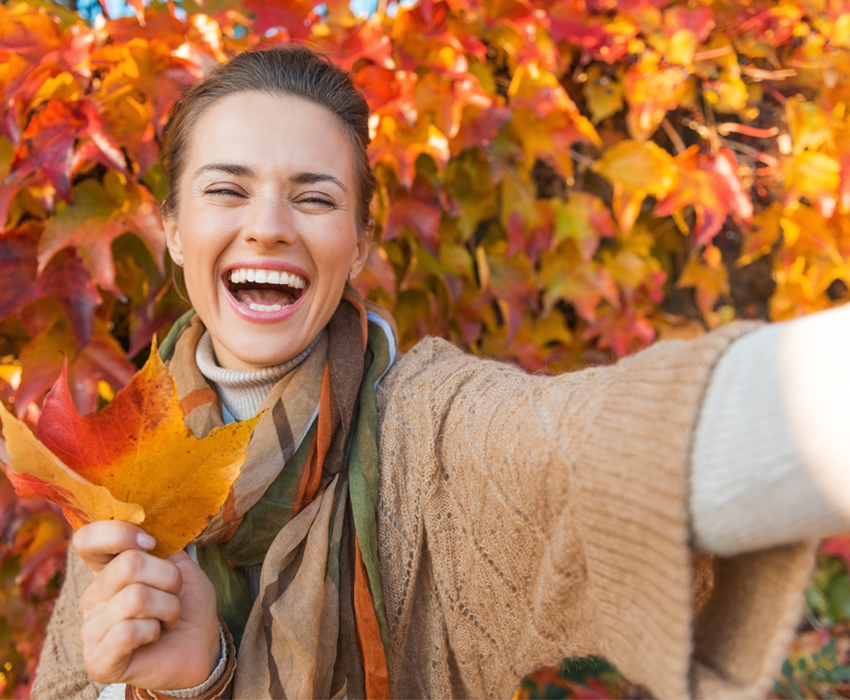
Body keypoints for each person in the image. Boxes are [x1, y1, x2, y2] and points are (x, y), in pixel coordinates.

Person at [30, 45, 850, 700]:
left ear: (361, 241)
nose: (269, 227)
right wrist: (183, 685)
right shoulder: (121, 464)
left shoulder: (430, 430)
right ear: (172, 228)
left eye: (313, 198)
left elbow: (589, 443)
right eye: (226, 190)